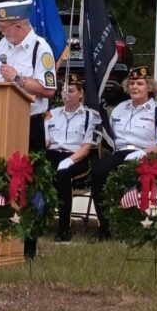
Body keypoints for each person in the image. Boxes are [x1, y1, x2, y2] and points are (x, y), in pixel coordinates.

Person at [0, 0, 56, 257]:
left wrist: (18, 79)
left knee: (28, 182)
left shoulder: (40, 49)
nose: (1, 31)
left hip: (28, 124)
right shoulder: (3, 45)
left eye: (4, 27)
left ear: (20, 26)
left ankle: (28, 243)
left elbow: (48, 89)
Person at [89, 66, 157, 241]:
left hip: (145, 155)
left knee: (127, 176)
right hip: (120, 152)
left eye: (140, 83)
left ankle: (130, 225)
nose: (134, 87)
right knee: (98, 173)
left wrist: (145, 152)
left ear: (149, 87)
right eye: (131, 83)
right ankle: (104, 226)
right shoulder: (120, 108)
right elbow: (110, 137)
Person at [44, 74, 101, 242]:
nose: (65, 94)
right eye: (63, 90)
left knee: (63, 176)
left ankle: (63, 228)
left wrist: (69, 161)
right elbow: (46, 141)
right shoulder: (50, 114)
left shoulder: (90, 116)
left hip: (77, 157)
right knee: (36, 170)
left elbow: (87, 147)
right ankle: (36, 220)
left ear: (81, 94)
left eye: (70, 90)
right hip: (53, 153)